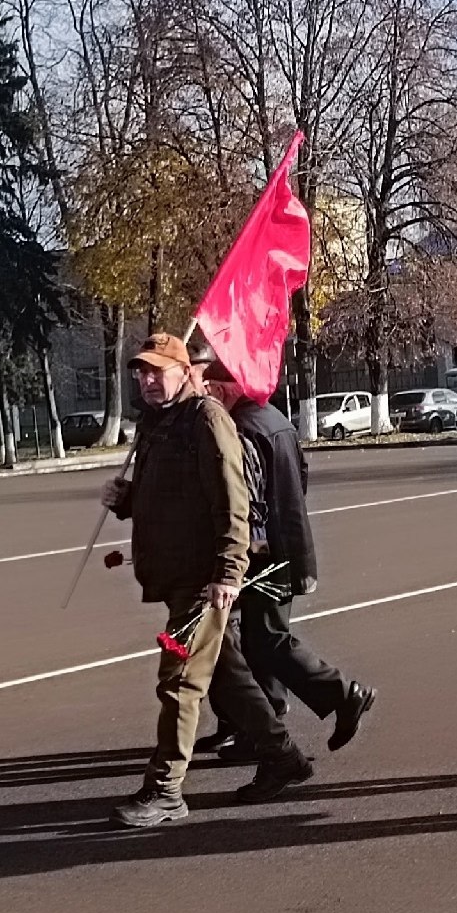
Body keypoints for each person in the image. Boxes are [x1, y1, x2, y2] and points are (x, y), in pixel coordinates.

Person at [100, 334, 310, 827]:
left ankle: (166, 790)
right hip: (175, 577)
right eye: (141, 372)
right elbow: (171, 495)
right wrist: (126, 500)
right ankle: (282, 757)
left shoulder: (206, 421)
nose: (148, 381)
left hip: (203, 583)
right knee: (228, 678)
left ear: (186, 372)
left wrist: (228, 574)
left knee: (178, 683)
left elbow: (232, 504)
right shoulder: (157, 423)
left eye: (158, 371)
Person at [204, 362, 376, 796]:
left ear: (230, 387)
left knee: (265, 640)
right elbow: (299, 478)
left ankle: (341, 695)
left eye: (214, 384)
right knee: (259, 641)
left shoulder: (241, 428)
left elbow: (245, 499)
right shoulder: (274, 419)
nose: (210, 390)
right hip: (285, 544)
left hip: (264, 552)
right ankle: (261, 731)